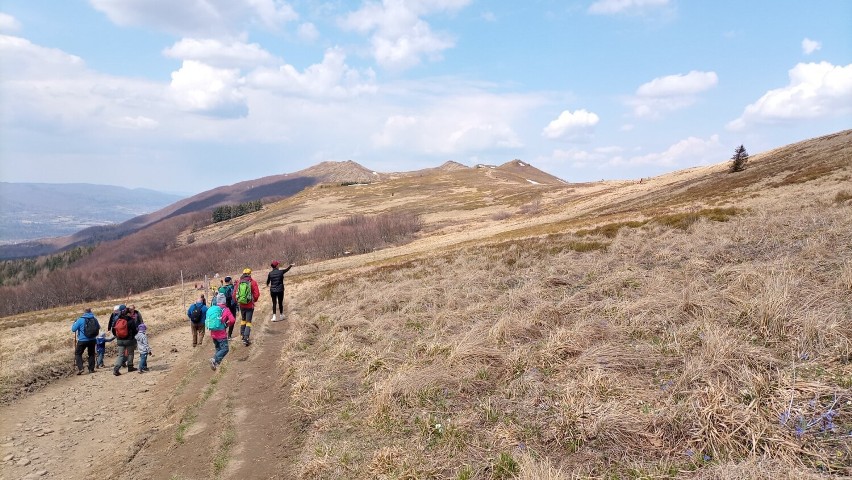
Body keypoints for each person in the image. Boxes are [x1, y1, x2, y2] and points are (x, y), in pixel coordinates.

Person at [207, 293, 236, 371]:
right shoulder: (226, 309)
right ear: (224, 301)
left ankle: (216, 365)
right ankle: (214, 360)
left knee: (218, 349)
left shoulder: (213, 309)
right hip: (221, 334)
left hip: (213, 334)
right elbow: (232, 320)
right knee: (225, 349)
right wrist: (227, 324)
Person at [233, 268, 260, 346]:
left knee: (243, 319)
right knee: (248, 321)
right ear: (250, 274)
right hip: (249, 305)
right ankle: (246, 338)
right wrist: (253, 300)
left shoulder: (239, 282)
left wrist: (237, 301)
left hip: (241, 304)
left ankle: (242, 334)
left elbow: (234, 294)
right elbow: (257, 294)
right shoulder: (253, 282)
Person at [71, 308, 100, 375]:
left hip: (82, 340)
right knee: (91, 354)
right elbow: (98, 327)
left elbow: (73, 329)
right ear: (91, 312)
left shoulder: (80, 319)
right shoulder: (94, 319)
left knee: (78, 354)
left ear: (84, 312)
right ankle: (91, 369)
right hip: (92, 339)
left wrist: (75, 323)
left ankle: (81, 368)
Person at [112, 306, 139, 376]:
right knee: (130, 353)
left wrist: (117, 336)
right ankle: (130, 367)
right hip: (129, 340)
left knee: (120, 355)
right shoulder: (130, 320)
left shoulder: (118, 319)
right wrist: (133, 335)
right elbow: (135, 331)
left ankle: (116, 369)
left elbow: (113, 329)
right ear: (128, 314)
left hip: (120, 340)